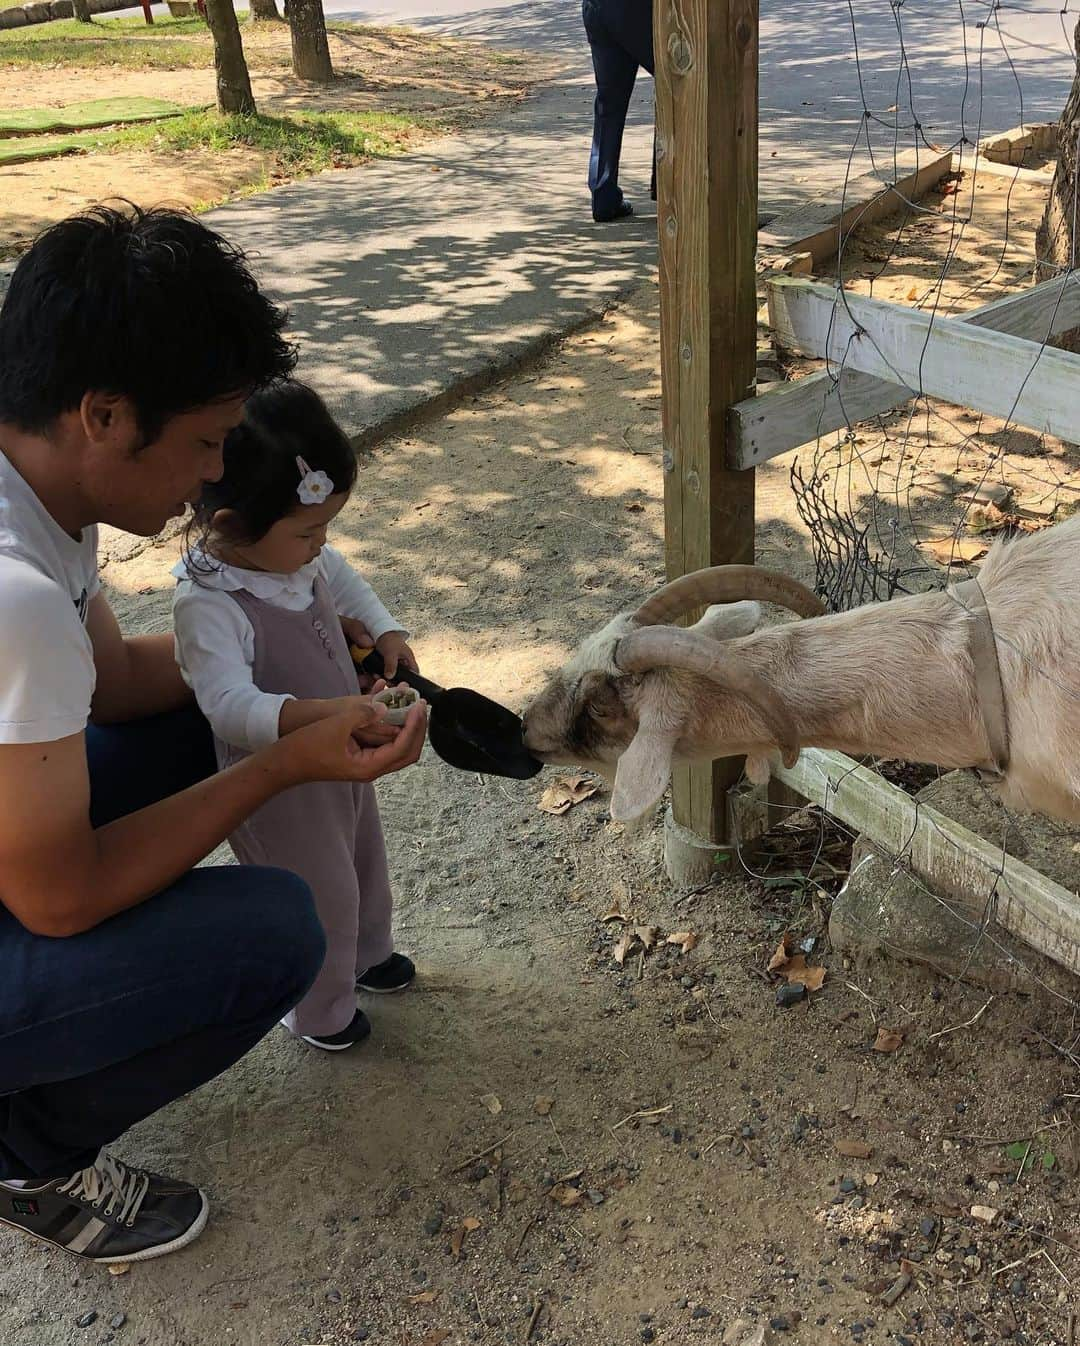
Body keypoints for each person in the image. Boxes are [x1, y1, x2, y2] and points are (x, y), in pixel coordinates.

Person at [0, 206, 427, 1265]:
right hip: (26, 886)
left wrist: (272, 686)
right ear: (103, 413)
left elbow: (103, 683)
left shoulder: (38, 491)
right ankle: (25, 1154)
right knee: (277, 931)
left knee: (202, 726)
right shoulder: (14, 597)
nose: (210, 477)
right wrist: (285, 755)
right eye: (202, 443)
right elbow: (57, 896)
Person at [173, 381, 418, 1053]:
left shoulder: (296, 558)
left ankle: (369, 957)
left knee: (365, 858)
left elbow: (343, 579)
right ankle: (318, 1009)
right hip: (276, 784)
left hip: (341, 754)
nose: (322, 545)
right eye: (310, 530)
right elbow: (227, 707)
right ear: (230, 528)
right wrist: (329, 712)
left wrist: (385, 630)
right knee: (322, 891)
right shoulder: (210, 604)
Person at [582, 0, 656, 223]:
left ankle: (603, 196)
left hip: (597, 9)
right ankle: (671, 186)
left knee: (608, 105)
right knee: (679, 85)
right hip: (636, 10)